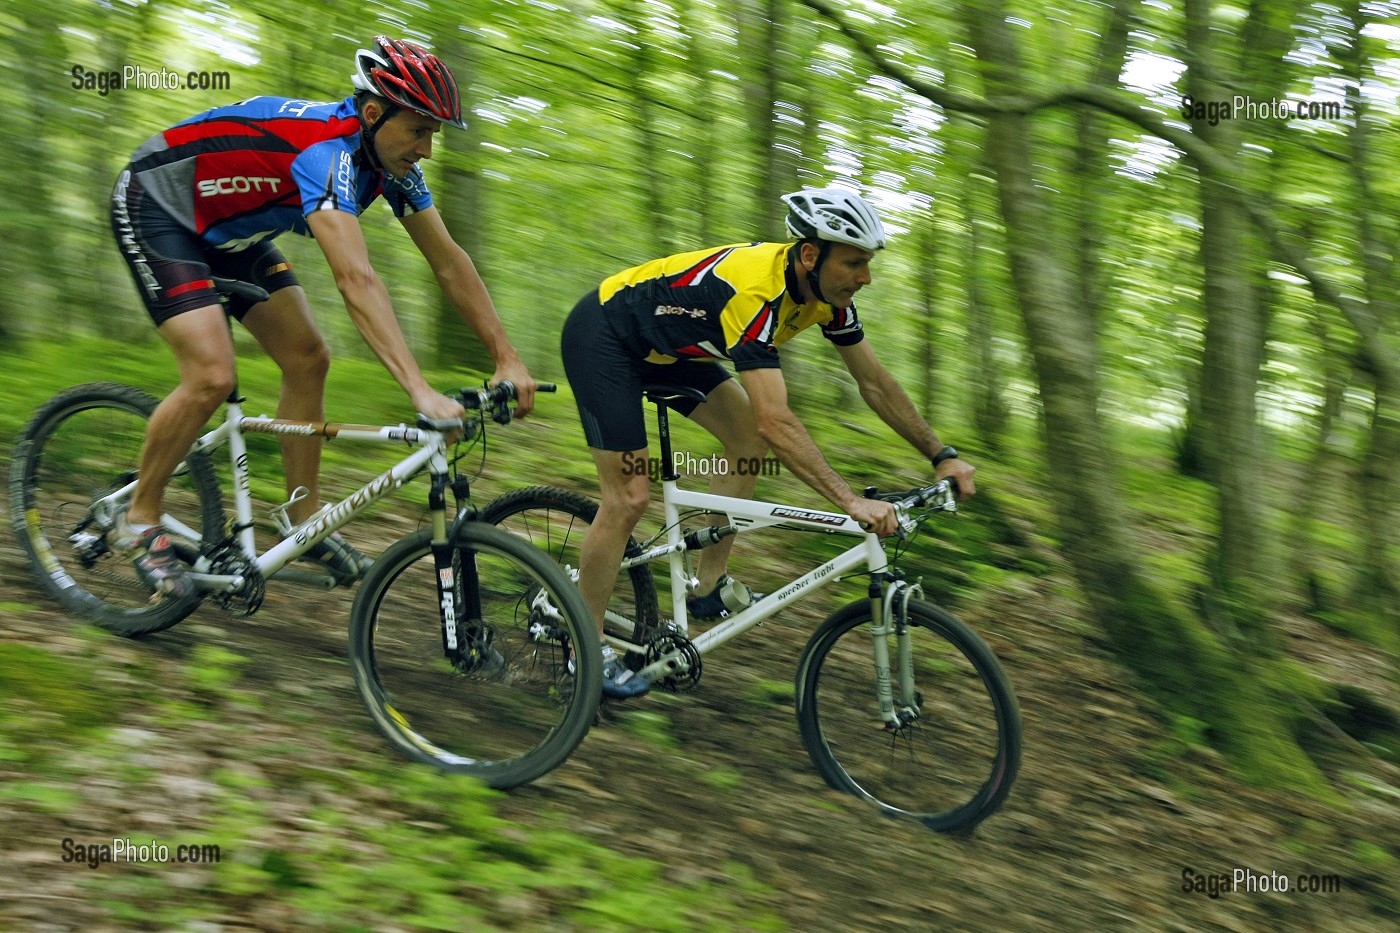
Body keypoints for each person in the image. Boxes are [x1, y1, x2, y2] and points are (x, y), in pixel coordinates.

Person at [110, 36, 536, 598]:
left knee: (308, 359)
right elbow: (355, 279)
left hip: (230, 231)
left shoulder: (386, 163)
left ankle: (299, 517)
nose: (428, 149)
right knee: (212, 375)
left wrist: (506, 356)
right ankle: (140, 518)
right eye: (419, 130)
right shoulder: (325, 154)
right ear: (372, 113)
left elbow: (450, 262)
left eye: (433, 133)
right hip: (158, 207)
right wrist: (418, 390)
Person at [562, 186, 976, 698]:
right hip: (606, 339)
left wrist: (942, 455)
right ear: (810, 254)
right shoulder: (754, 291)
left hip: (672, 350)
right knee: (628, 498)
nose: (865, 277)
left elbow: (876, 384)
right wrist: (849, 501)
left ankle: (707, 589)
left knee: (744, 443)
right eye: (854, 263)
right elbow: (775, 419)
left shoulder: (828, 298)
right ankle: (586, 646)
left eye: (867, 264)